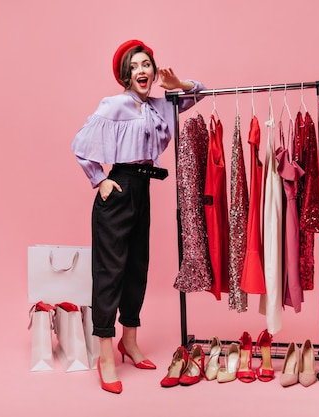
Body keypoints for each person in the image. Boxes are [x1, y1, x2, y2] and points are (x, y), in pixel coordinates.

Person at [71, 39, 205, 394]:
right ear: (124, 76)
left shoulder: (161, 105)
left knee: (136, 268)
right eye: (134, 67)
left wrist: (179, 87)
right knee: (110, 271)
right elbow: (81, 144)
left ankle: (129, 342)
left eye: (146, 64)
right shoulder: (114, 105)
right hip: (118, 190)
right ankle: (105, 354)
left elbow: (200, 93)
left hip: (143, 191)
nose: (141, 71)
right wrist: (99, 180)